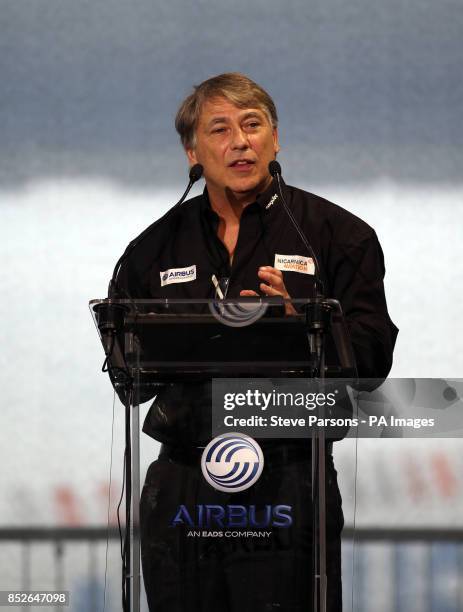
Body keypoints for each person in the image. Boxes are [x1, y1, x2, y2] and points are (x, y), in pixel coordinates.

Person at [112, 72, 398, 611]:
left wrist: (305, 327)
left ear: (276, 138)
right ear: (192, 150)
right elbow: (132, 383)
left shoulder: (339, 234)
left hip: (288, 476)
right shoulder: (150, 248)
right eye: (220, 129)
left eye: (253, 125)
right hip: (183, 479)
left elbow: (373, 361)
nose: (240, 141)